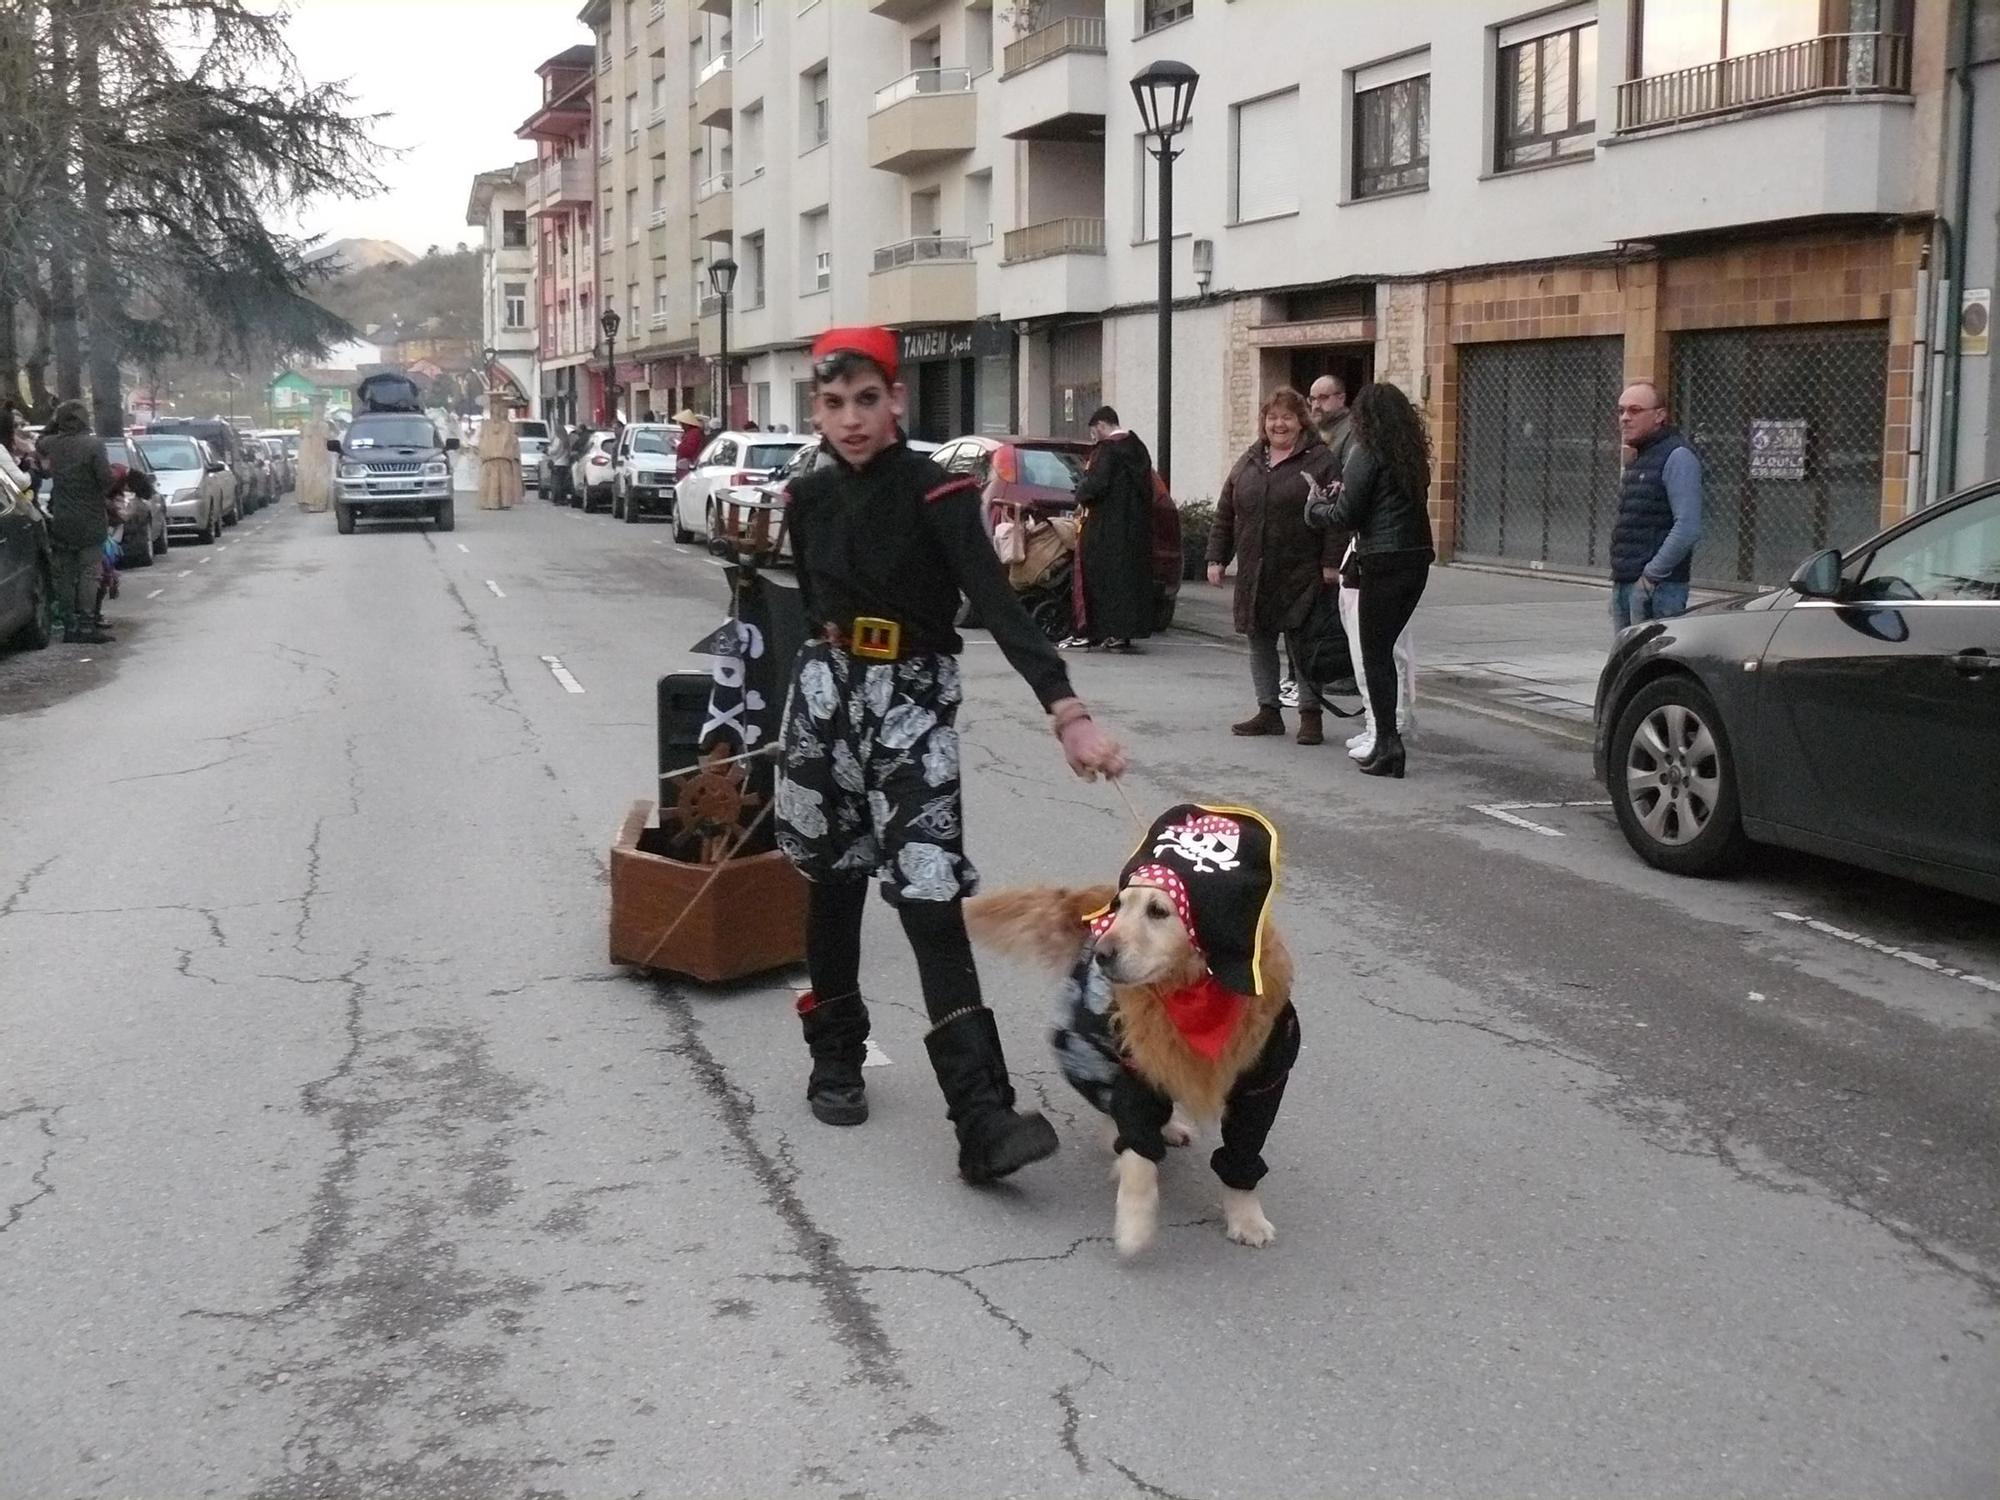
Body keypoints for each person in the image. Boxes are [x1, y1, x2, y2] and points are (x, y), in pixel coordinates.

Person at [777, 324, 1128, 1185]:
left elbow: (1003, 613)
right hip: (826, 701)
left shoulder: (938, 497)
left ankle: (982, 1116)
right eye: (833, 403)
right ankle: (836, 1057)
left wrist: (1068, 712)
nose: (851, 420)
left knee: (930, 900)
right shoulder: (808, 500)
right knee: (832, 885)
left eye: (867, 399)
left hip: (913, 708)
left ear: (896, 399)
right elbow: (802, 608)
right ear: (816, 409)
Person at [1305, 382, 1434, 779]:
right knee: (1385, 650)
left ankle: (1388, 744)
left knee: (1375, 655)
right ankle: (1385, 739)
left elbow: (1347, 514)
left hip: (1381, 560)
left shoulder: (1365, 452)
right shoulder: (1411, 455)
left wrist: (1314, 508)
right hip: (1416, 560)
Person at [1206, 388, 1343, 745]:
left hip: (1303, 568)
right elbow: (1226, 511)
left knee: (1303, 643)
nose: (1278, 424)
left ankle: (1311, 715)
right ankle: (1268, 712)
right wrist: (1216, 557)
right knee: (1260, 639)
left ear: (1301, 422)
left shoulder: (1321, 461)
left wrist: (1331, 563)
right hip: (1257, 568)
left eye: (1286, 417)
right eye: (1272, 418)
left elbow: (1337, 518)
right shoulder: (1250, 460)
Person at [1610, 381, 1701, 633]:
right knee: (1626, 666)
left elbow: (1688, 527)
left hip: (1658, 590)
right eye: (1621, 411)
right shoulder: (1641, 456)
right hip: (1626, 582)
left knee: (1651, 664)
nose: (1625, 418)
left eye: (1635, 410)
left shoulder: (1677, 456)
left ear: (1660, 415)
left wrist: (1650, 577)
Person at [1066, 406, 1155, 654]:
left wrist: (1080, 493)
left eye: (1094, 432)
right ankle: (1125, 633)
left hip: (1106, 527)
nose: (1094, 437)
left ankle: (1106, 630)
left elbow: (1095, 485)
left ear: (1102, 426)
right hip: (1135, 527)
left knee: (1105, 579)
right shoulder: (1138, 448)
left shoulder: (1107, 451)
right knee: (1129, 580)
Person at [35, 400, 115, 644]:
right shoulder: (94, 445)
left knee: (66, 574)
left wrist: (54, 419)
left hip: (62, 517)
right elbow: (106, 479)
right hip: (90, 517)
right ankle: (87, 625)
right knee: (90, 572)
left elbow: (40, 440)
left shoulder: (52, 444)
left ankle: (69, 625)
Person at [476, 396, 523, 509]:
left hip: (494, 459)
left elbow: (482, 442)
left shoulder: (490, 426)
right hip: (499, 459)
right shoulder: (506, 427)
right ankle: (501, 501)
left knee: (496, 482)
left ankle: (494, 502)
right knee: (501, 482)